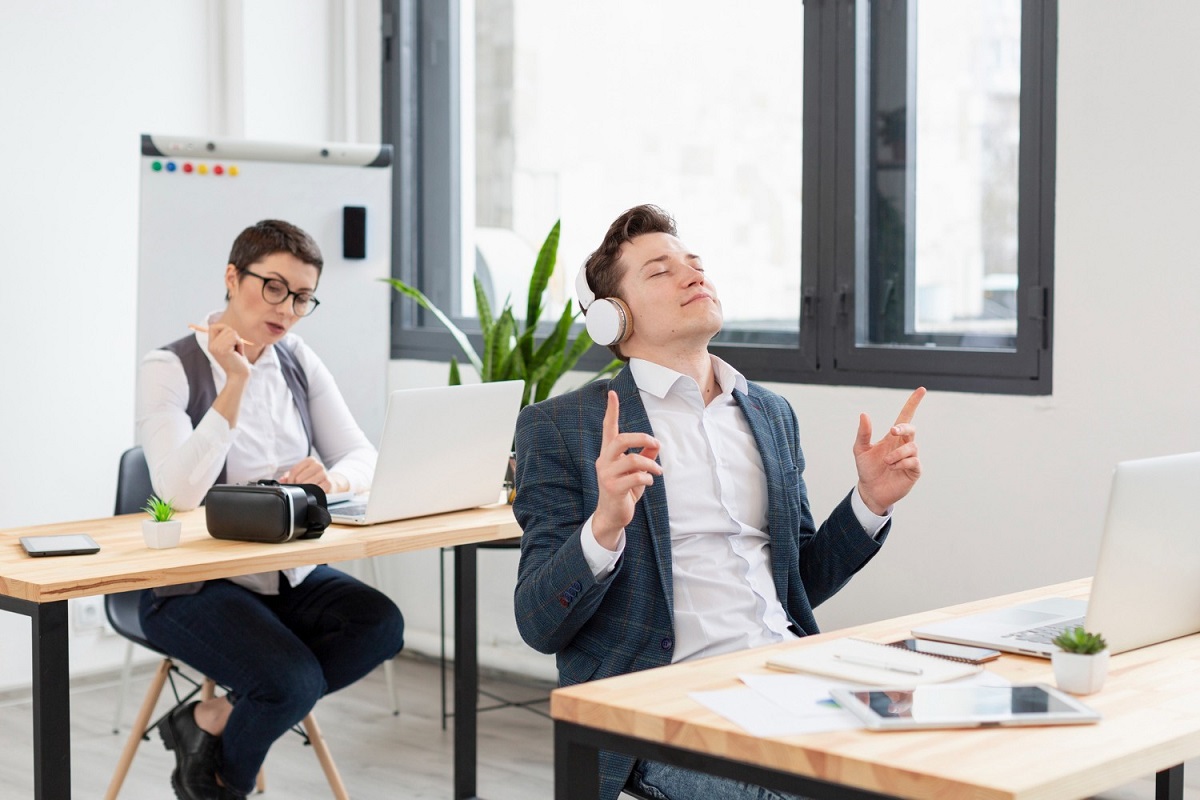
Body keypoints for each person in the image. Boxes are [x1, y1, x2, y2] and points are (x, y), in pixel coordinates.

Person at [512, 204, 924, 800]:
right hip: (664, 702)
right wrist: (604, 526)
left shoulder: (770, 413)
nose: (691, 275)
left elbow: (798, 581)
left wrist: (868, 502)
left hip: (789, 673)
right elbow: (537, 621)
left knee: (940, 759)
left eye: (695, 264)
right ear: (612, 319)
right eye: (659, 271)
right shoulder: (560, 426)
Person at [135, 219, 405, 800]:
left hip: (288, 571)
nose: (287, 308)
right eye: (274, 287)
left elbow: (363, 454)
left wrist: (331, 477)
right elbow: (178, 493)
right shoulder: (168, 365)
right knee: (290, 683)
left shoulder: (298, 359)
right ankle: (217, 787)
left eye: (303, 297)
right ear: (233, 278)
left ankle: (211, 721)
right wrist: (235, 380)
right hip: (194, 583)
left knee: (380, 626)